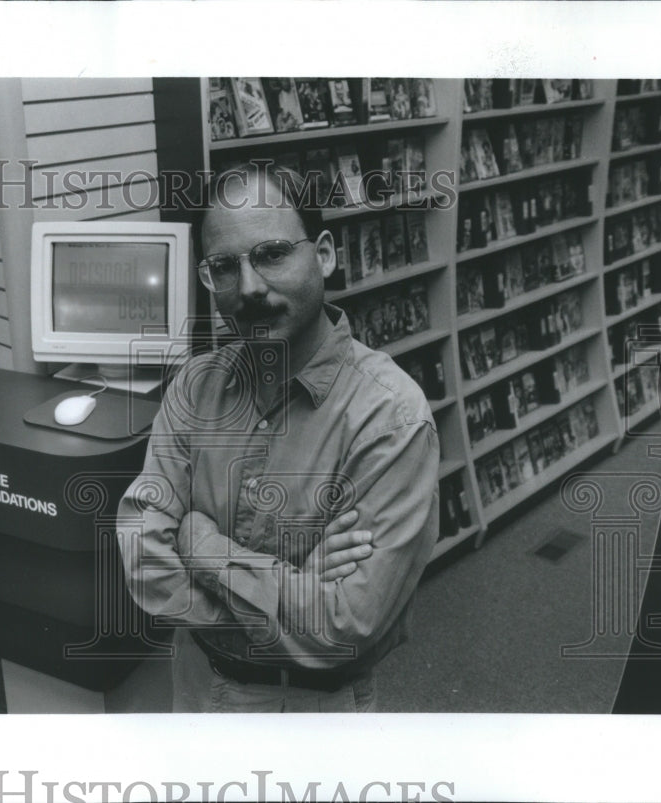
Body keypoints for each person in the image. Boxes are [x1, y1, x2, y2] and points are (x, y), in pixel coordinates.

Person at [116, 163, 440, 713]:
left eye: (271, 254)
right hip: (196, 687)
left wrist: (201, 546)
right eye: (223, 266)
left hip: (309, 712)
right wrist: (285, 589)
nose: (247, 288)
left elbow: (342, 626)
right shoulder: (195, 386)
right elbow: (142, 559)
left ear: (326, 254)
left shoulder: (391, 417)